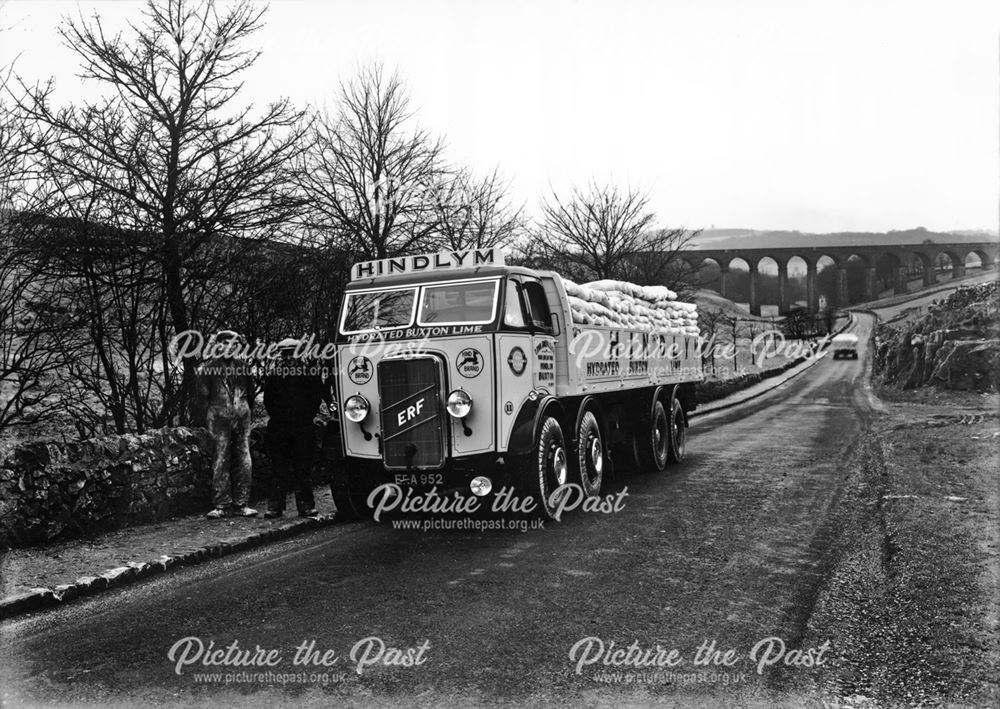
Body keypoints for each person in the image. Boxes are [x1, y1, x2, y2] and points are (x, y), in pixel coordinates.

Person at [263, 338, 331, 518]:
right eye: (284, 354)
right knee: (278, 468)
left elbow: (314, 400)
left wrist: (303, 418)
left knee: (303, 468)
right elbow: (268, 400)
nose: (288, 357)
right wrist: (280, 417)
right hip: (279, 428)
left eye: (291, 353)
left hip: (302, 428)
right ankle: (275, 506)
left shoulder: (309, 374)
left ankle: (306, 505)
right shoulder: (274, 375)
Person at [197, 330, 257, 519]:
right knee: (220, 460)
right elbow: (201, 398)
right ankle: (221, 505)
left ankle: (242, 503)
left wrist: (244, 413)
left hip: (242, 418)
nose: (229, 347)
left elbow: (251, 394)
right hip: (218, 420)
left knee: (244, 460)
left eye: (234, 344)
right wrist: (210, 418)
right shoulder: (208, 369)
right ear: (218, 345)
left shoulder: (244, 368)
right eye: (225, 343)